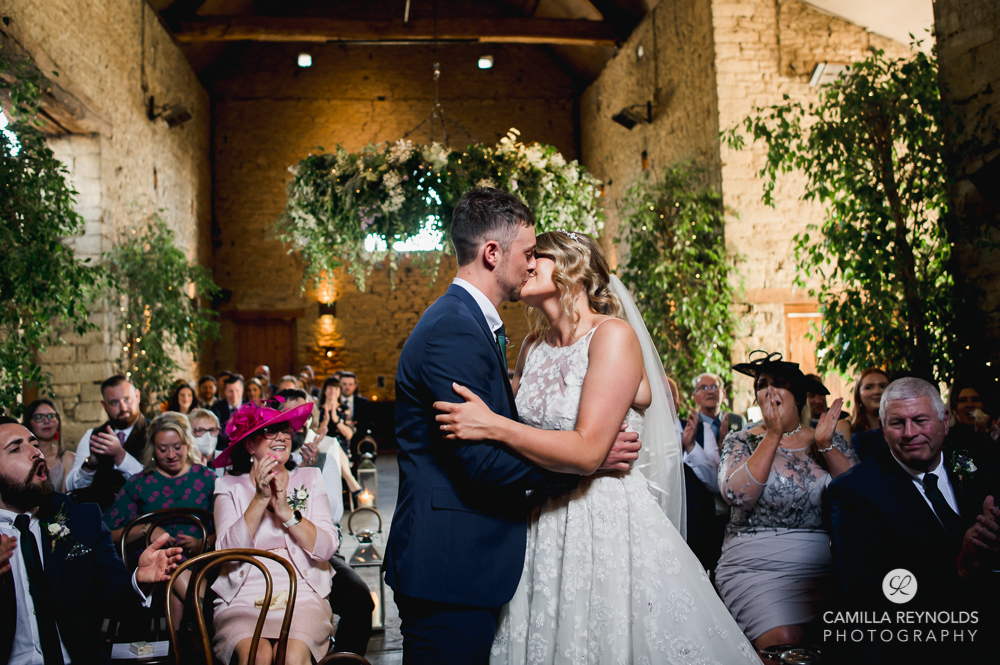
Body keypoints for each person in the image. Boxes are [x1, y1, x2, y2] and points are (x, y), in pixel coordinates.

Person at [429, 222, 756, 662]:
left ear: (572, 268)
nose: (524, 265)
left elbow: (587, 450)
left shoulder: (613, 336)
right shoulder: (531, 347)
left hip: (602, 519)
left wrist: (494, 426)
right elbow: (556, 446)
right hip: (539, 519)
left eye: (535, 256)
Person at [386, 191, 648, 663]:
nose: (531, 265)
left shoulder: (473, 324)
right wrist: (585, 462)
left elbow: (635, 392)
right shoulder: (455, 328)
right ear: (492, 253)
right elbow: (480, 460)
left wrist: (580, 447)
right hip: (452, 564)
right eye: (528, 254)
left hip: (511, 547)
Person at [828, 377, 999, 663]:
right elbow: (865, 591)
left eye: (920, 420)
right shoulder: (855, 491)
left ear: (945, 420)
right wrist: (957, 567)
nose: (909, 433)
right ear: (883, 430)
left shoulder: (980, 463)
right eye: (897, 424)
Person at [0, 416, 183, 664]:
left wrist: (138, 580)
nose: (35, 452)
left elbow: (117, 599)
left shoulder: (81, 518)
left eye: (34, 443)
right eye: (15, 448)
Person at [713, 351, 857, 658]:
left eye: (778, 383)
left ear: (799, 397)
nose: (768, 390)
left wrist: (826, 446)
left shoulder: (827, 438)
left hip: (822, 568)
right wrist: (773, 435)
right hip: (755, 567)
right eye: (762, 384)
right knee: (785, 641)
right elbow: (738, 495)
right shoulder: (741, 440)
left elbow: (857, 497)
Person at [210, 399, 339, 665]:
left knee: (292, 657)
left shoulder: (310, 479)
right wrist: (259, 500)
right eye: (270, 431)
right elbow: (227, 555)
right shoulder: (227, 486)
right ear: (249, 444)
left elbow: (327, 548)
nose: (281, 437)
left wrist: (286, 513)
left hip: (301, 593)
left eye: (285, 430)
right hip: (243, 596)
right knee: (259, 657)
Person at [277, 391, 373, 656]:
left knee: (360, 600)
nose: (295, 424)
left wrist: (307, 474)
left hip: (316, 553)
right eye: (288, 416)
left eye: (302, 416)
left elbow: (330, 516)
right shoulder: (265, 455)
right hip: (273, 554)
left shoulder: (324, 455)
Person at [104, 413, 216, 558]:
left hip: (200, 562)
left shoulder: (208, 479)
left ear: (188, 444)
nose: (170, 455)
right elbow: (108, 534)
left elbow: (229, 530)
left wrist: (204, 543)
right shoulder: (139, 484)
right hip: (154, 564)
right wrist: (146, 530)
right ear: (152, 448)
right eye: (163, 449)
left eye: (177, 447)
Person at [64, 375, 150, 509]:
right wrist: (90, 464)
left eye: (127, 399)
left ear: (137, 396)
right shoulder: (92, 436)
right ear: (104, 405)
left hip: (143, 516)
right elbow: (71, 488)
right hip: (101, 518)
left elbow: (155, 486)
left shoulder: (156, 433)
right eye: (114, 402)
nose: (123, 407)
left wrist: (120, 456)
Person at [22, 399, 74, 493]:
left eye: (51, 416)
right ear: (29, 422)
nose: (46, 421)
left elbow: (67, 500)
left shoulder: (67, 458)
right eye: (39, 417)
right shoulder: (21, 457)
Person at [836, 367, 888, 442]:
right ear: (858, 394)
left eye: (883, 386)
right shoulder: (846, 426)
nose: (877, 391)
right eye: (869, 387)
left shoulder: (904, 422)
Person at [317, 376, 355, 460]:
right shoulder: (317, 410)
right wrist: (325, 422)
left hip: (341, 449)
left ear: (339, 392)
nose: (333, 391)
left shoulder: (345, 409)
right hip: (323, 449)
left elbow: (349, 434)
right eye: (330, 388)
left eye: (336, 389)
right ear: (325, 391)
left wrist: (336, 420)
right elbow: (315, 434)